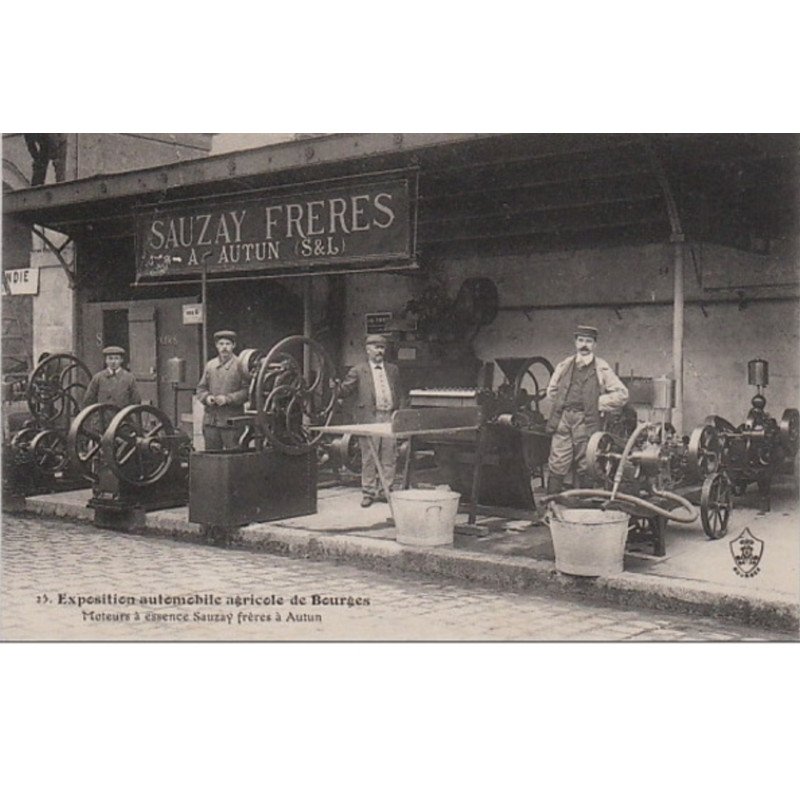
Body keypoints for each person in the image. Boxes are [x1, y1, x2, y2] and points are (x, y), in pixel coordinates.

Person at [545, 325, 628, 494]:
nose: (584, 345)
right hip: (563, 419)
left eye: (589, 341)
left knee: (586, 462)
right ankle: (550, 506)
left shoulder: (601, 367)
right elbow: (551, 391)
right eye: (581, 340)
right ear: (575, 343)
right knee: (557, 461)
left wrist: (596, 403)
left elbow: (622, 394)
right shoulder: (565, 365)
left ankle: (584, 508)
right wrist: (563, 404)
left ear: (595, 345)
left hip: (586, 420)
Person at [338, 334, 405, 507]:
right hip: (370, 418)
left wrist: (400, 412)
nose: (380, 351)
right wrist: (335, 387)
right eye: (376, 348)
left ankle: (386, 490)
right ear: (368, 350)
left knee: (389, 455)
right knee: (369, 456)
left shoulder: (393, 370)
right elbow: (344, 391)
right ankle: (368, 492)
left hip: (390, 416)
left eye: (382, 348)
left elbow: (399, 392)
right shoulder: (358, 370)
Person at [196, 330, 250, 451]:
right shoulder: (210, 365)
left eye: (227, 344)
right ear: (216, 346)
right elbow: (201, 388)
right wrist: (207, 398)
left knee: (233, 457)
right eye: (221, 344)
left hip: (231, 422)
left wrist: (227, 399)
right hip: (211, 422)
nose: (224, 347)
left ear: (233, 346)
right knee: (212, 457)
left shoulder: (241, 366)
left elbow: (247, 391)